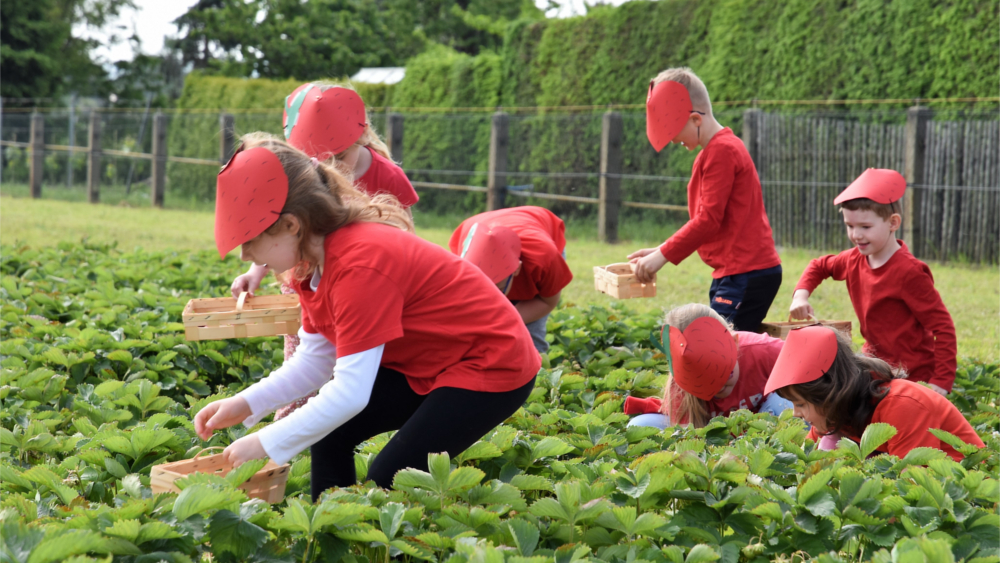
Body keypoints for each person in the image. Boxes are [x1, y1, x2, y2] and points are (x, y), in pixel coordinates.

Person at [195, 134, 539, 501]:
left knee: (392, 476)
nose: (247, 253)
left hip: (491, 363)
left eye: (251, 240)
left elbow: (349, 393)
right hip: (430, 360)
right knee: (329, 432)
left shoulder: (359, 264)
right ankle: (331, 534)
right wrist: (246, 403)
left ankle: (385, 544)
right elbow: (314, 360)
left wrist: (267, 442)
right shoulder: (312, 267)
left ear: (292, 225)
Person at [231, 82, 421, 420]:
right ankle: (289, 429)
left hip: (362, 287)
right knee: (304, 363)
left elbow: (407, 239)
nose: (332, 166)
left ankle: (332, 429)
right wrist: (255, 270)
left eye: (340, 156)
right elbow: (271, 230)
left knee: (353, 373)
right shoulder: (296, 178)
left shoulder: (388, 175)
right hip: (304, 280)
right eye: (318, 158)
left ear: (361, 139)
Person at [628, 67, 782, 332]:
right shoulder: (712, 152)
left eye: (675, 131)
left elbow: (707, 220)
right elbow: (707, 221)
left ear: (696, 120)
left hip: (746, 272)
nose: (674, 140)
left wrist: (662, 256)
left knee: (715, 345)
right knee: (724, 348)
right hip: (733, 272)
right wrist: (659, 249)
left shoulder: (722, 151)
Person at [788, 168, 957, 395]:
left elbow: (943, 327)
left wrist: (940, 383)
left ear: (893, 222)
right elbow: (819, 266)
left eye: (865, 227)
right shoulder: (852, 259)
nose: (856, 234)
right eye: (850, 226)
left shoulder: (910, 272)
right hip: (874, 367)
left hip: (913, 375)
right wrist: (801, 295)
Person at [765, 325, 983, 461]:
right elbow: (809, 459)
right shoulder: (833, 416)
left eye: (801, 404)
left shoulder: (902, 404)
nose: (795, 413)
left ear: (830, 394)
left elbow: (912, 485)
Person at [625, 304, 791, 429]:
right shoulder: (680, 386)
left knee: (786, 403)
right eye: (703, 380)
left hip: (763, 427)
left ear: (734, 344)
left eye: (725, 374)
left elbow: (808, 364)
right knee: (640, 425)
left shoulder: (764, 350)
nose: (717, 385)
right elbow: (688, 441)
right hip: (714, 435)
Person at [448, 206, 573, 353]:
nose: (492, 298)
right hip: (483, 221)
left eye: (499, 289)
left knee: (530, 333)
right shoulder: (461, 260)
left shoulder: (545, 259)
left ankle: (537, 367)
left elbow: (547, 301)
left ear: (517, 269)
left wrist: (501, 321)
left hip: (540, 227)